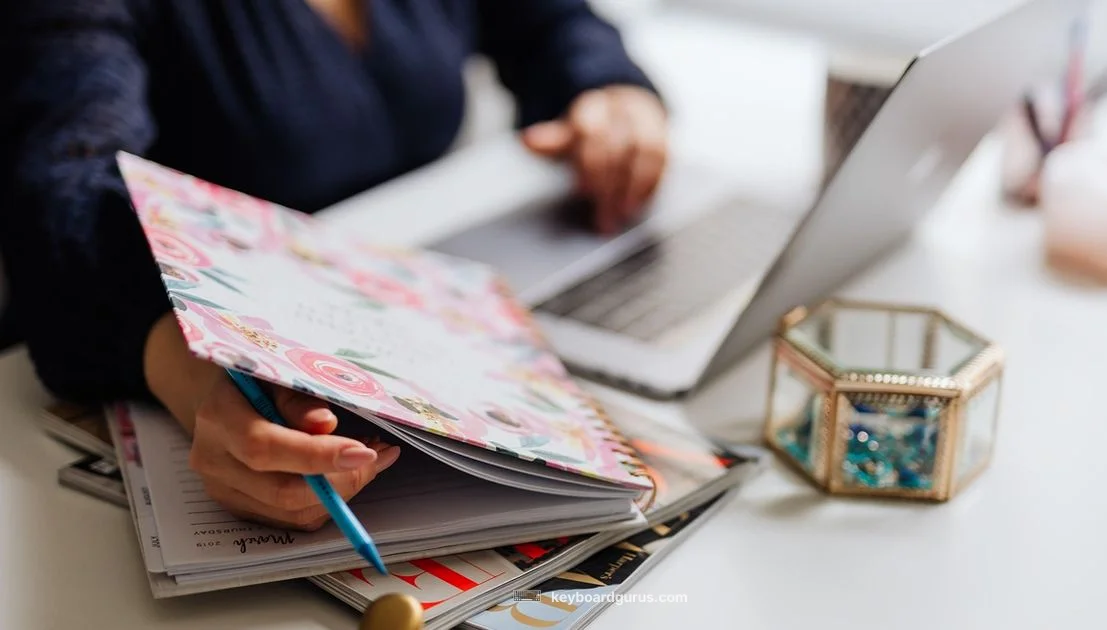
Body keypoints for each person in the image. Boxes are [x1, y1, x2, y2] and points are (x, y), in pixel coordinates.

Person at [0, 0, 669, 531]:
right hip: (225, 333)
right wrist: (194, 370)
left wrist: (605, 87)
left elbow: (553, 23)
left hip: (438, 300)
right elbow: (62, 190)